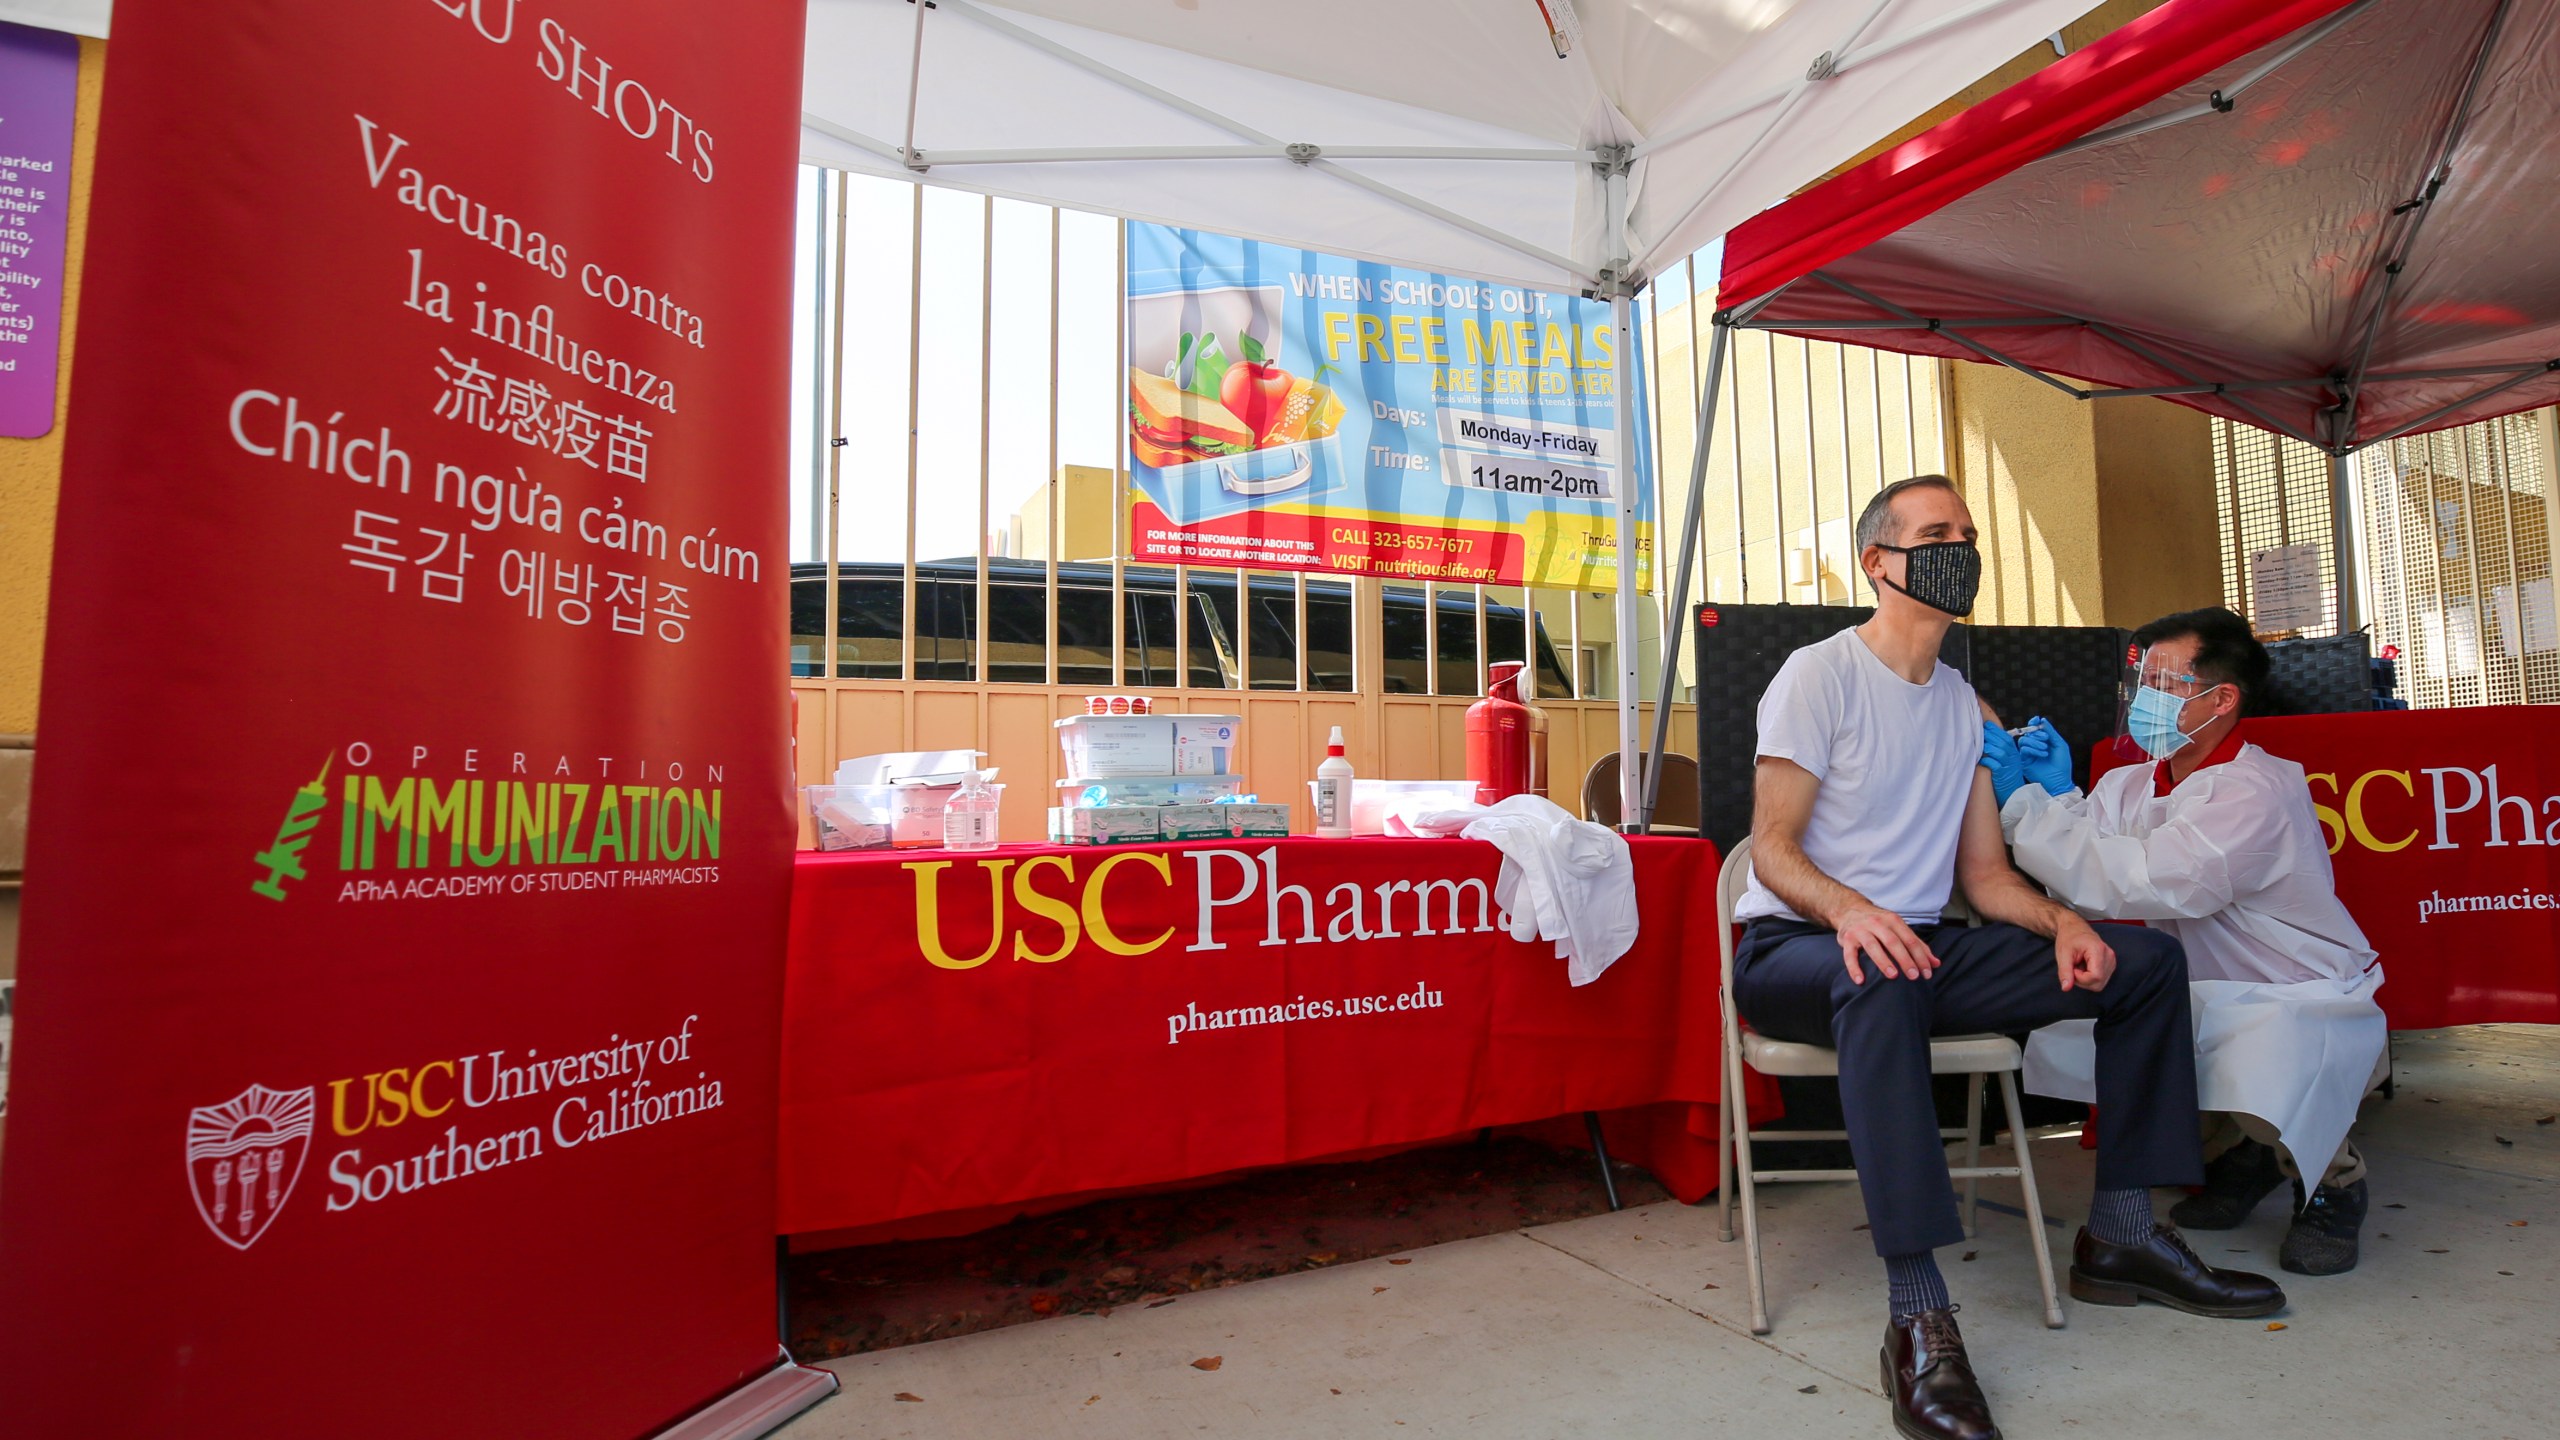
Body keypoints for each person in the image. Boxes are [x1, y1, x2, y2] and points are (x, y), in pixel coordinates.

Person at [1732, 475, 2283, 1440]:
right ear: (1878, 562)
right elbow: (1773, 848)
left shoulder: (1960, 708)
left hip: (1918, 946)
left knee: (2141, 964)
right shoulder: (1818, 676)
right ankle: (1918, 1316)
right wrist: (1854, 911)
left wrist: (2063, 922)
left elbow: (1985, 877)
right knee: (1882, 969)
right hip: (1799, 950)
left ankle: (2120, 1234)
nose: (1961, 549)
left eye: (1969, 533)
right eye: (1935, 533)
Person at [1982, 608, 2384, 1277]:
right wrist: (2059, 796)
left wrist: (2024, 805)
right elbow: (2091, 858)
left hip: (2292, 985)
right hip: (2204, 978)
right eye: (2141, 681)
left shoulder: (2256, 789)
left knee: (2266, 1047)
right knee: (2109, 1024)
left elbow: (2148, 879)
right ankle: (2246, 1154)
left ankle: (2334, 1185)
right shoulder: (2133, 779)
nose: (2145, 700)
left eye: (2164, 683)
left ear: (2222, 698)